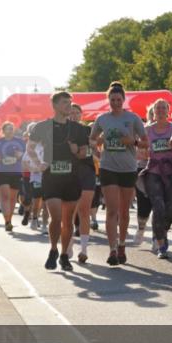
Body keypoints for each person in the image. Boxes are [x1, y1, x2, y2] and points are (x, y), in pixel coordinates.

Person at [29, 92, 89, 271]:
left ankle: (64, 255)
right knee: (55, 218)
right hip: (52, 177)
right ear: (54, 105)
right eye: (64, 103)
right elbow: (30, 147)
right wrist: (39, 163)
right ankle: (53, 249)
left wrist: (76, 150)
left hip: (72, 178)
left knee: (68, 221)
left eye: (70, 103)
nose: (68, 106)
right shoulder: (42, 126)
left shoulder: (78, 129)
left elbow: (84, 153)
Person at [90, 82, 147, 266]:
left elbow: (146, 143)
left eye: (118, 100)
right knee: (112, 210)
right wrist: (97, 146)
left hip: (128, 168)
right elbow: (91, 140)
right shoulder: (102, 119)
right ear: (108, 100)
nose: (115, 103)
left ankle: (122, 244)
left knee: (124, 211)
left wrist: (133, 142)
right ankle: (112, 250)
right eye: (112, 100)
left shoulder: (133, 118)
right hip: (108, 168)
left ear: (124, 100)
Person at [142, 98, 172, 259]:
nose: (160, 110)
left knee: (170, 210)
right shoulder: (147, 130)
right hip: (154, 172)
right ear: (153, 112)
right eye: (157, 108)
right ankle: (161, 245)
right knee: (158, 206)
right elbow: (140, 150)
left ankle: (160, 232)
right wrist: (143, 152)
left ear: (168, 111)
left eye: (163, 108)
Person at [69, 103, 98, 264]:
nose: (73, 115)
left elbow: (92, 150)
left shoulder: (87, 130)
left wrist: (85, 150)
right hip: (69, 173)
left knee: (84, 210)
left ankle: (84, 249)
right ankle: (69, 245)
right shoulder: (62, 130)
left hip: (87, 171)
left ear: (81, 115)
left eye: (76, 113)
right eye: (71, 113)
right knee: (69, 212)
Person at [0, 122, 26, 233]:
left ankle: (9, 220)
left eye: (11, 128)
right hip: (2, 172)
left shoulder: (20, 141)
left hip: (16, 172)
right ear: (3, 130)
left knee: (12, 198)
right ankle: (7, 221)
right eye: (8, 129)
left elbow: (26, 154)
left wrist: (20, 155)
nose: (10, 130)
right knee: (5, 196)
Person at [133, 105, 154, 247]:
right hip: (143, 169)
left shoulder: (169, 129)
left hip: (162, 170)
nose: (156, 115)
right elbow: (138, 152)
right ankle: (141, 228)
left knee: (159, 203)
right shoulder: (143, 130)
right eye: (152, 113)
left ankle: (157, 236)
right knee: (143, 202)